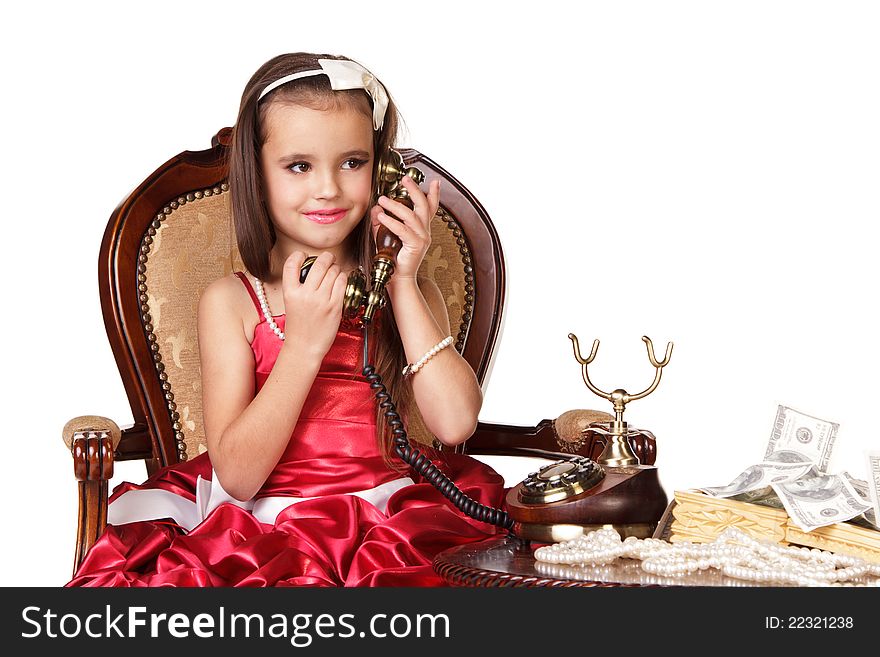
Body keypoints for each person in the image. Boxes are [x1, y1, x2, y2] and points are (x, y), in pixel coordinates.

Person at [66, 52, 508, 587]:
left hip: (390, 521)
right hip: (263, 528)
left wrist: (403, 280)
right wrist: (302, 348)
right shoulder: (232, 302)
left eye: (352, 162)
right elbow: (239, 477)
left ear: (383, 169)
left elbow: (456, 424)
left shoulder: (408, 291)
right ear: (258, 174)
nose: (327, 188)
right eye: (299, 166)